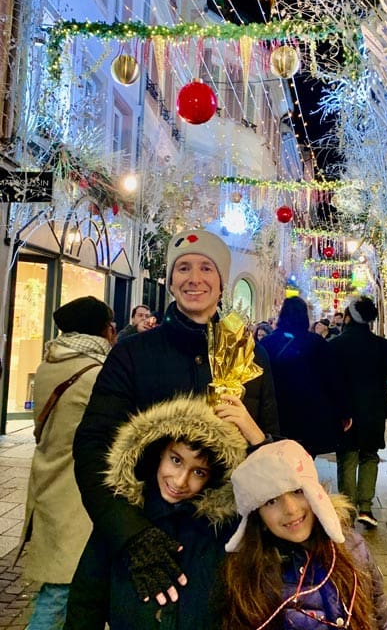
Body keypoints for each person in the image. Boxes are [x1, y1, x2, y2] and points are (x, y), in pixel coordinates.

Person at [73, 228, 279, 609]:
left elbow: (271, 454)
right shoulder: (133, 355)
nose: (194, 278)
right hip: (145, 537)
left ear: (222, 283)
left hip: (224, 547)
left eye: (206, 268)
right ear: (170, 282)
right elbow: (92, 447)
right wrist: (131, 535)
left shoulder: (252, 358)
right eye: (183, 268)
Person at [66, 395, 255, 630]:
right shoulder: (124, 519)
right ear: (159, 452)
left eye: (199, 473)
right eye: (176, 460)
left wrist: (258, 440)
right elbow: (86, 601)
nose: (180, 480)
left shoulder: (221, 531)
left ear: (213, 479)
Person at [219, 439, 387, 630]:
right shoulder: (253, 574)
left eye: (297, 491)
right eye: (271, 501)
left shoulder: (353, 546)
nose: (291, 509)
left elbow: (379, 610)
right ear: (257, 515)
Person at [16, 296, 115, 630]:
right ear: (103, 329)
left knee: (65, 588)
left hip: (49, 479)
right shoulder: (94, 372)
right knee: (60, 591)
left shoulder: (50, 363)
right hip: (74, 490)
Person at [328, 296, 387, 528]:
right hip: (373, 411)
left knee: (348, 458)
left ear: (349, 317)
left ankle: (347, 510)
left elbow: (329, 382)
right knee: (370, 457)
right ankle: (366, 508)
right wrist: (383, 384)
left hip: (346, 413)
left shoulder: (335, 345)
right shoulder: (382, 345)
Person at [260, 297, 350, 457]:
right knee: (303, 462)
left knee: (276, 461)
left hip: (275, 413)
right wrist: (343, 411)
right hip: (308, 416)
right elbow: (332, 380)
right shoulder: (317, 343)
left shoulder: (267, 343)